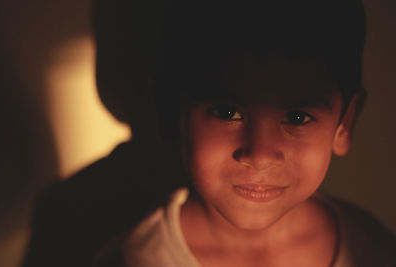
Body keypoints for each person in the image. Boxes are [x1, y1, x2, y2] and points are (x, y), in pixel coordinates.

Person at [24, 0, 396, 266]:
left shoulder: (371, 250)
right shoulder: (126, 251)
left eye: (297, 117)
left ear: (345, 123)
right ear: (170, 112)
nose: (260, 153)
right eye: (227, 112)